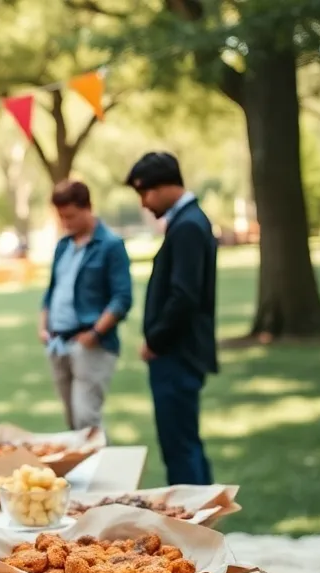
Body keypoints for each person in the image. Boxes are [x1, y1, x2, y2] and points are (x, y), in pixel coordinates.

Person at [126, 152, 218, 485]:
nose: (144, 202)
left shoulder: (189, 226)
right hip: (178, 352)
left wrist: (156, 340)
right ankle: (204, 521)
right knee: (184, 442)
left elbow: (184, 296)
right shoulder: (187, 222)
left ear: (166, 185)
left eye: (145, 192)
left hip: (178, 352)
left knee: (179, 446)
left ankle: (193, 527)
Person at [38, 180, 133, 431]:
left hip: (90, 343)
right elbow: (52, 291)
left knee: (87, 419)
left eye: (70, 216)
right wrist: (43, 325)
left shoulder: (110, 245)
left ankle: (103, 470)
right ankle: (80, 471)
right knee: (72, 422)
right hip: (58, 342)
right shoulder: (63, 245)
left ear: (88, 207)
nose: (66, 223)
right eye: (61, 217)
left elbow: (122, 298)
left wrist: (95, 333)